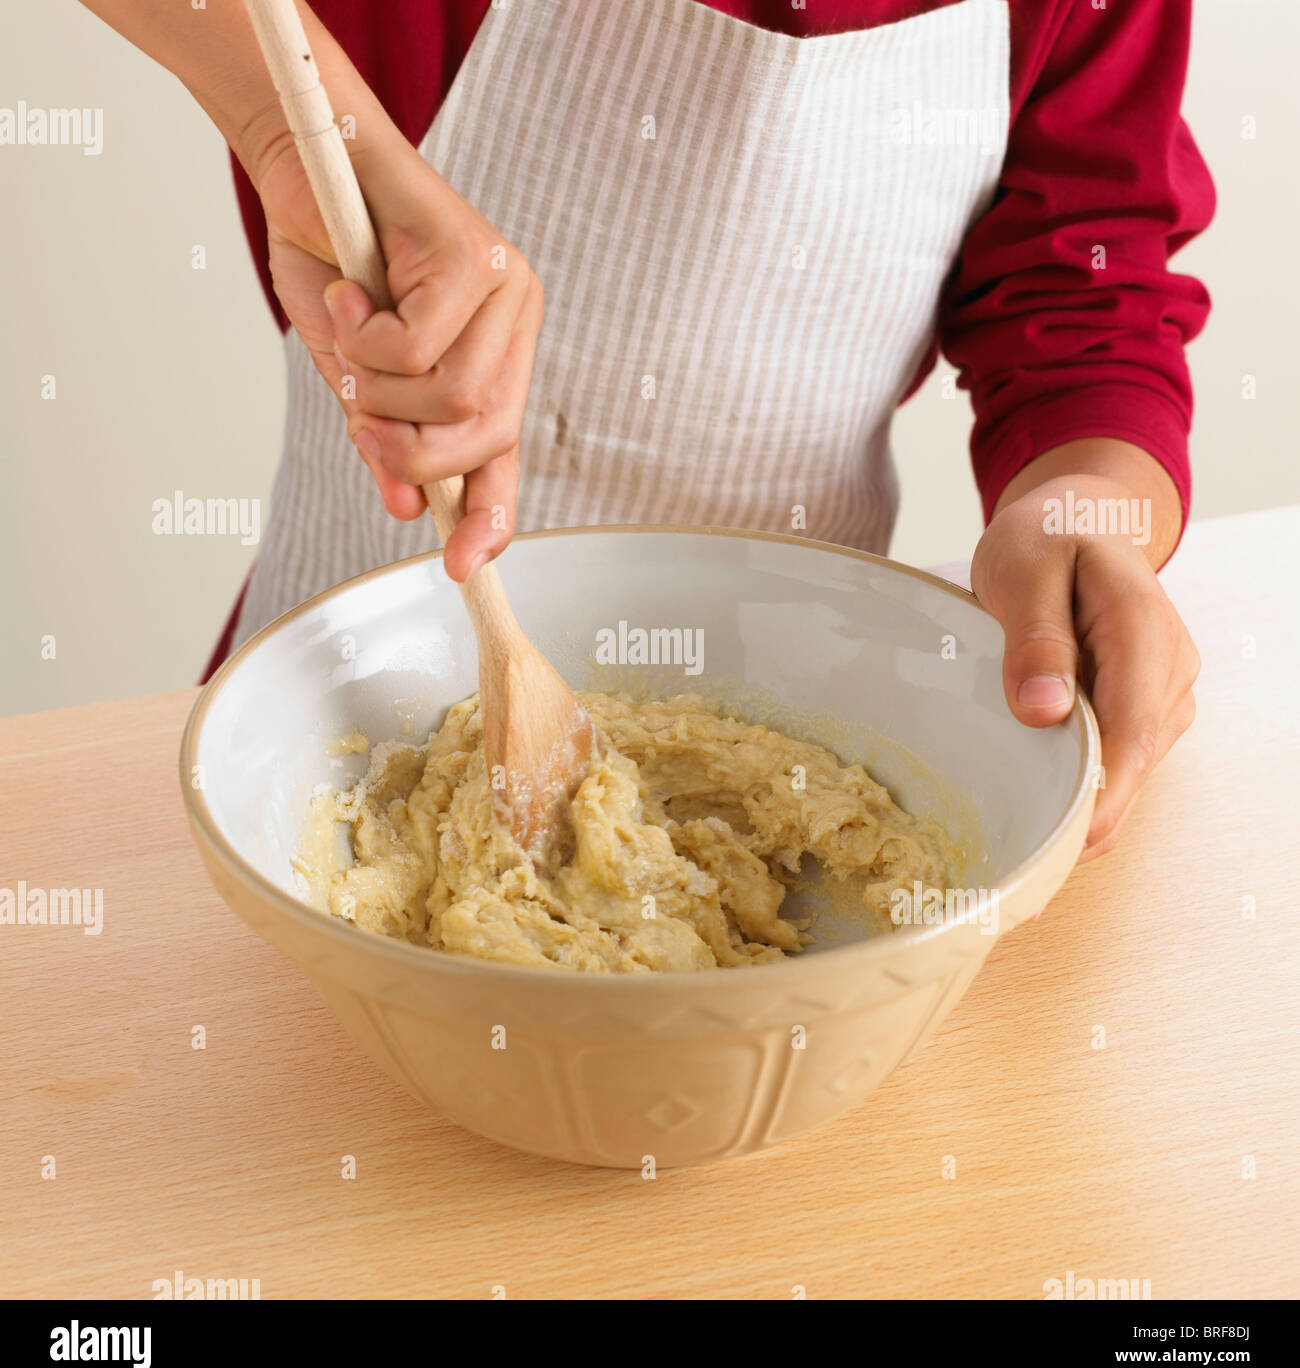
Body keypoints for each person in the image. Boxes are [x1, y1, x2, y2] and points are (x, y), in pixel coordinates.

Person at [78, 0, 1211, 860]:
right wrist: (293, 131)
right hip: (311, 732)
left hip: (817, 714)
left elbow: (1083, 292)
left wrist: (1083, 502)